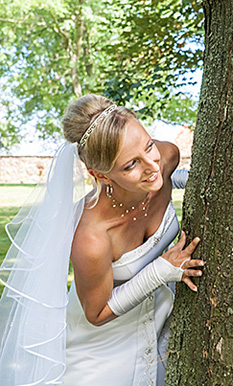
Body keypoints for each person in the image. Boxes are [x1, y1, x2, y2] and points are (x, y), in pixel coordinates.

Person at [0, 94, 204, 386]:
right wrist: (161, 270)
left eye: (148, 146)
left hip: (156, 324)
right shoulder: (91, 235)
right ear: (101, 175)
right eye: (131, 164)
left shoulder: (166, 156)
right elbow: (96, 312)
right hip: (99, 348)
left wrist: (184, 180)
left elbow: (165, 171)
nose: (152, 166)